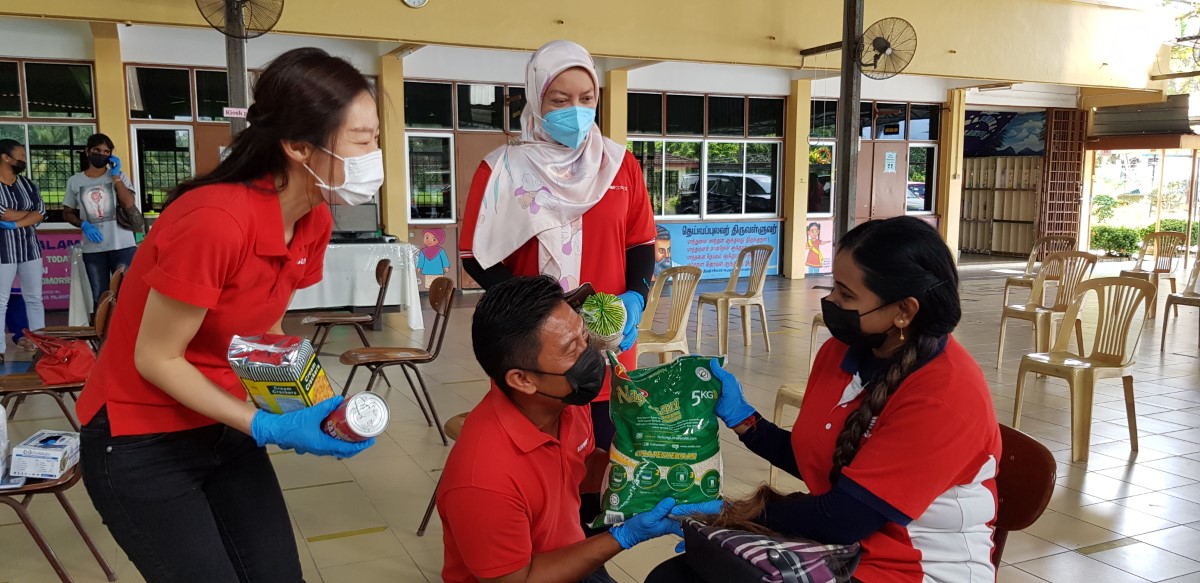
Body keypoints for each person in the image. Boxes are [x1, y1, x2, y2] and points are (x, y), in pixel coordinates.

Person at [75, 47, 381, 583]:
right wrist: (266, 424)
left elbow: (266, 332)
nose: (374, 153)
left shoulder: (313, 220)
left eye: (375, 136)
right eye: (361, 139)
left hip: (221, 423)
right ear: (296, 147)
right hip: (141, 438)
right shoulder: (215, 220)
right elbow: (156, 357)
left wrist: (311, 400)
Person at [648, 216, 1002, 583]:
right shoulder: (840, 353)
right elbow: (823, 462)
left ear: (904, 311)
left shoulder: (942, 395)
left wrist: (731, 514)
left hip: (912, 569)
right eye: (834, 286)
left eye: (847, 295)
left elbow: (844, 517)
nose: (830, 301)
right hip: (843, 551)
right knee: (674, 577)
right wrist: (745, 421)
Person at [459, 39, 656, 454]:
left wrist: (635, 298)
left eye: (586, 99)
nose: (576, 110)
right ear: (535, 99)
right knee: (536, 460)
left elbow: (641, 242)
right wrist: (531, 312)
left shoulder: (621, 166)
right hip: (534, 349)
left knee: (603, 467)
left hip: (609, 343)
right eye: (559, 99)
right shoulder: (501, 171)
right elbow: (473, 256)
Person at [438, 275, 684, 583]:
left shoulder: (565, 401)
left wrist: (645, 469)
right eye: (571, 349)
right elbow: (519, 580)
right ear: (523, 379)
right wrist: (622, 538)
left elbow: (577, 466)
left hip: (569, 555)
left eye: (584, 335)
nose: (589, 353)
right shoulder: (482, 481)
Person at [64, 133, 140, 307]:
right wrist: (83, 224)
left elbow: (129, 203)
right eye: (97, 150)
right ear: (88, 151)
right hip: (93, 248)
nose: (101, 154)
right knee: (101, 297)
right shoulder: (75, 181)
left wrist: (116, 177)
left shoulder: (119, 176)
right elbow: (67, 212)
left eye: (106, 151)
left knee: (126, 293)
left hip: (122, 245)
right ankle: (104, 333)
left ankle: (126, 333)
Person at [0, 139, 46, 363]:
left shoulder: (27, 184)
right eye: (20, 156)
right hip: (3, 250)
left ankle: (42, 344)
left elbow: (41, 213)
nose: (24, 160)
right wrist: (28, 215)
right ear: (5, 157)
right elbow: (3, 214)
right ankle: (0, 349)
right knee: (1, 300)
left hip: (30, 248)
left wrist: (16, 221)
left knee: (35, 297)